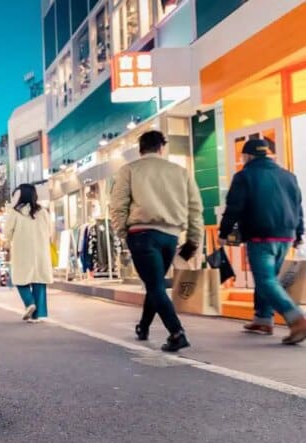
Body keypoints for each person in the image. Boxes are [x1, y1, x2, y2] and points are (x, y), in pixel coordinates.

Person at [110, 130, 204, 353]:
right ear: (162, 147)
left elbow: (118, 205)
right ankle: (143, 327)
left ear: (140, 149)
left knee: (154, 285)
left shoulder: (129, 170)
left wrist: (123, 232)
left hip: (141, 234)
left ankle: (177, 332)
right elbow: (195, 208)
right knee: (156, 284)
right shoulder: (180, 172)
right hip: (170, 236)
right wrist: (193, 239)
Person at [218, 139, 306, 344]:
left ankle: (296, 318)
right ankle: (263, 319)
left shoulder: (244, 176)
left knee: (266, 280)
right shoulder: (288, 176)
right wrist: (299, 234)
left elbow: (234, 207)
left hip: (261, 235)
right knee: (268, 278)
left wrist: (224, 232)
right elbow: (298, 208)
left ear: (247, 156)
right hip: (286, 235)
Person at [4, 184, 54, 323]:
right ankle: (36, 315)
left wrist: (7, 242)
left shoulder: (15, 212)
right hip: (40, 251)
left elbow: (7, 232)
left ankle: (29, 302)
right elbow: (49, 231)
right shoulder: (42, 212)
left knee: (20, 279)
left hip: (22, 250)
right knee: (39, 279)